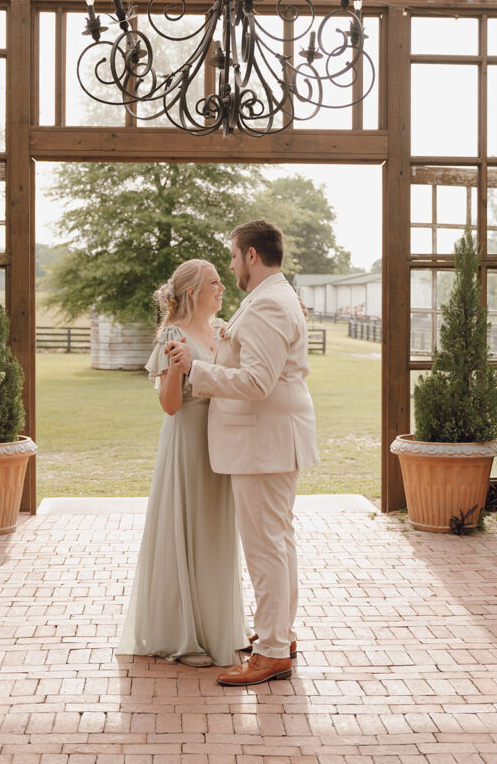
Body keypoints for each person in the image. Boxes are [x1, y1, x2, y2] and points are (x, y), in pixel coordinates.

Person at [167, 220, 319, 686]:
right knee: (278, 543)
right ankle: (279, 636)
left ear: (252, 255)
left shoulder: (270, 304)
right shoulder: (274, 298)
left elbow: (257, 382)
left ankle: (273, 652)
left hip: (263, 444)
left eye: (233, 256)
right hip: (269, 442)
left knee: (266, 548)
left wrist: (197, 369)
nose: (231, 265)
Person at [118, 259, 248, 668]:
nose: (222, 288)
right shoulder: (174, 334)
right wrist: (176, 370)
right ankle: (183, 633)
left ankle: (217, 629)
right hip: (188, 444)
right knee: (186, 529)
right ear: (192, 291)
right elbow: (170, 406)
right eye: (214, 282)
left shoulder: (223, 329)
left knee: (215, 533)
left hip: (221, 444)